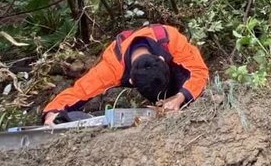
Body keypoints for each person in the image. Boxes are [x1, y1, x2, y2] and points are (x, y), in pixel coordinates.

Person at [42, 23, 208, 125]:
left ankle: (180, 100)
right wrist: (52, 112)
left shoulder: (170, 39)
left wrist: (180, 98)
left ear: (162, 59)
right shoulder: (112, 67)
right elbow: (80, 91)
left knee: (190, 88)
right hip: (129, 65)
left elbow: (200, 71)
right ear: (130, 81)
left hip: (173, 73)